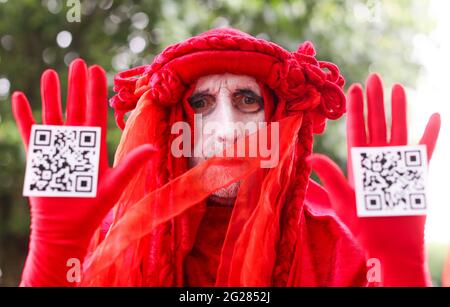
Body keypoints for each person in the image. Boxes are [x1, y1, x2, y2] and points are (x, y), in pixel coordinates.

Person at [11, 28, 439, 286]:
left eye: (247, 100)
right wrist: (55, 248)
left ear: (278, 118)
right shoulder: (111, 240)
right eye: (199, 104)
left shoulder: (340, 240)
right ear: (169, 121)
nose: (226, 130)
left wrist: (398, 263)